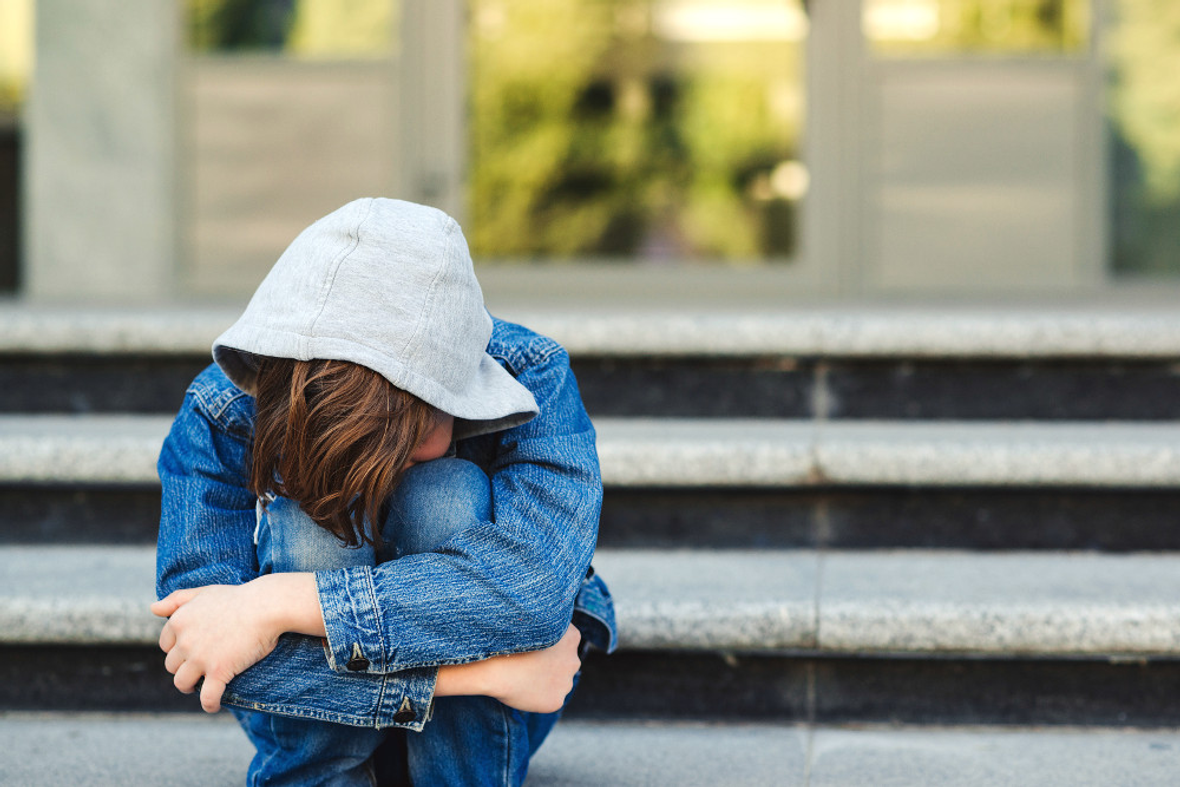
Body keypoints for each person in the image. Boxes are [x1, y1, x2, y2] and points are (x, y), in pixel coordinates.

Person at [151, 197, 616, 786]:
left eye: (414, 432)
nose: (399, 461)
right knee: (309, 516)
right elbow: (206, 650)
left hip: (480, 734)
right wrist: (483, 674)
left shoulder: (532, 373)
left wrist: (276, 603)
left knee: (443, 491)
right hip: (319, 726)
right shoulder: (226, 408)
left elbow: (530, 596)